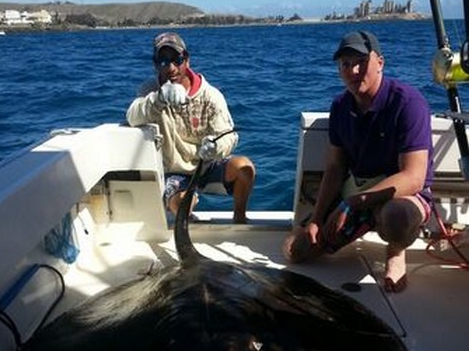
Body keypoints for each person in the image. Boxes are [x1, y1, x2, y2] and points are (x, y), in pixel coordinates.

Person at [283, 30, 434, 293]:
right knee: (296, 251)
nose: (352, 71)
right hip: (357, 188)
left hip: (402, 194)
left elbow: (414, 177)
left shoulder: (408, 102)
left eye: (361, 62)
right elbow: (335, 166)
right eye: (345, 64)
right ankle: (346, 224)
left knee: (396, 217)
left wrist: (351, 204)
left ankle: (396, 252)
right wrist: (317, 218)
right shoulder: (341, 106)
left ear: (380, 63)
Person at [126, 32, 255, 223]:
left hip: (208, 165)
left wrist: (216, 147)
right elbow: (132, 117)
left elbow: (229, 136)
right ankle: (185, 231)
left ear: (186, 60)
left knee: (245, 169)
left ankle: (239, 219)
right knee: (182, 202)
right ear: (155, 64)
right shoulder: (150, 91)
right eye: (163, 61)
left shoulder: (211, 95)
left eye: (176, 60)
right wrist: (159, 98)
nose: (171, 68)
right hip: (175, 171)